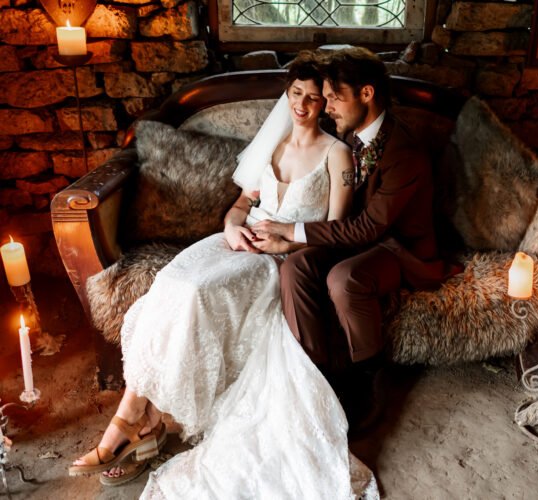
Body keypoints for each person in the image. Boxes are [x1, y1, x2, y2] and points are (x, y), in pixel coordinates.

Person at [69, 51, 379, 498]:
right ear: (286, 95)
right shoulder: (271, 145)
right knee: (171, 283)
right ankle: (139, 413)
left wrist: (284, 244)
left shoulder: (338, 157)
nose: (303, 105)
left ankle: (131, 423)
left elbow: (335, 231)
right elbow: (239, 207)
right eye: (296, 94)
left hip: (278, 258)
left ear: (325, 104)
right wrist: (234, 228)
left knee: (197, 291)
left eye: (314, 98)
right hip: (237, 241)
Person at [253, 47, 450, 431]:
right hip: (357, 241)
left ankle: (367, 378)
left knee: (343, 279)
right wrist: (289, 240)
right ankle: (316, 373)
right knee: (297, 265)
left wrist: (290, 231)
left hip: (398, 250)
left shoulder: (404, 152)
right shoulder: (351, 137)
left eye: (334, 98)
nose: (326, 109)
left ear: (367, 94)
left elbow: (369, 229)